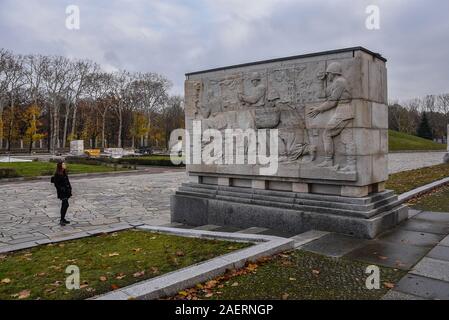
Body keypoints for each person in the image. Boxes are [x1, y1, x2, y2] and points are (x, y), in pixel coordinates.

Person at [307, 62, 355, 172]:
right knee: (348, 140)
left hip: (342, 113)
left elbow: (332, 102)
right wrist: (320, 81)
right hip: (347, 113)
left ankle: (328, 161)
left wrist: (318, 109)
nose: (327, 76)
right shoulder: (338, 82)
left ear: (332, 73)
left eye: (328, 74)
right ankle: (351, 166)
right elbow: (322, 95)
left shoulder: (340, 82)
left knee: (326, 134)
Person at [51, 161, 72, 226]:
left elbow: (67, 182)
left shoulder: (64, 172)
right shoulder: (57, 174)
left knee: (65, 205)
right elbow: (56, 184)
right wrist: (62, 189)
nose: (65, 165)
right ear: (60, 166)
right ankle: (61, 220)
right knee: (65, 204)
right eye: (63, 164)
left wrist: (70, 188)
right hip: (62, 192)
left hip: (67, 191)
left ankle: (63, 219)